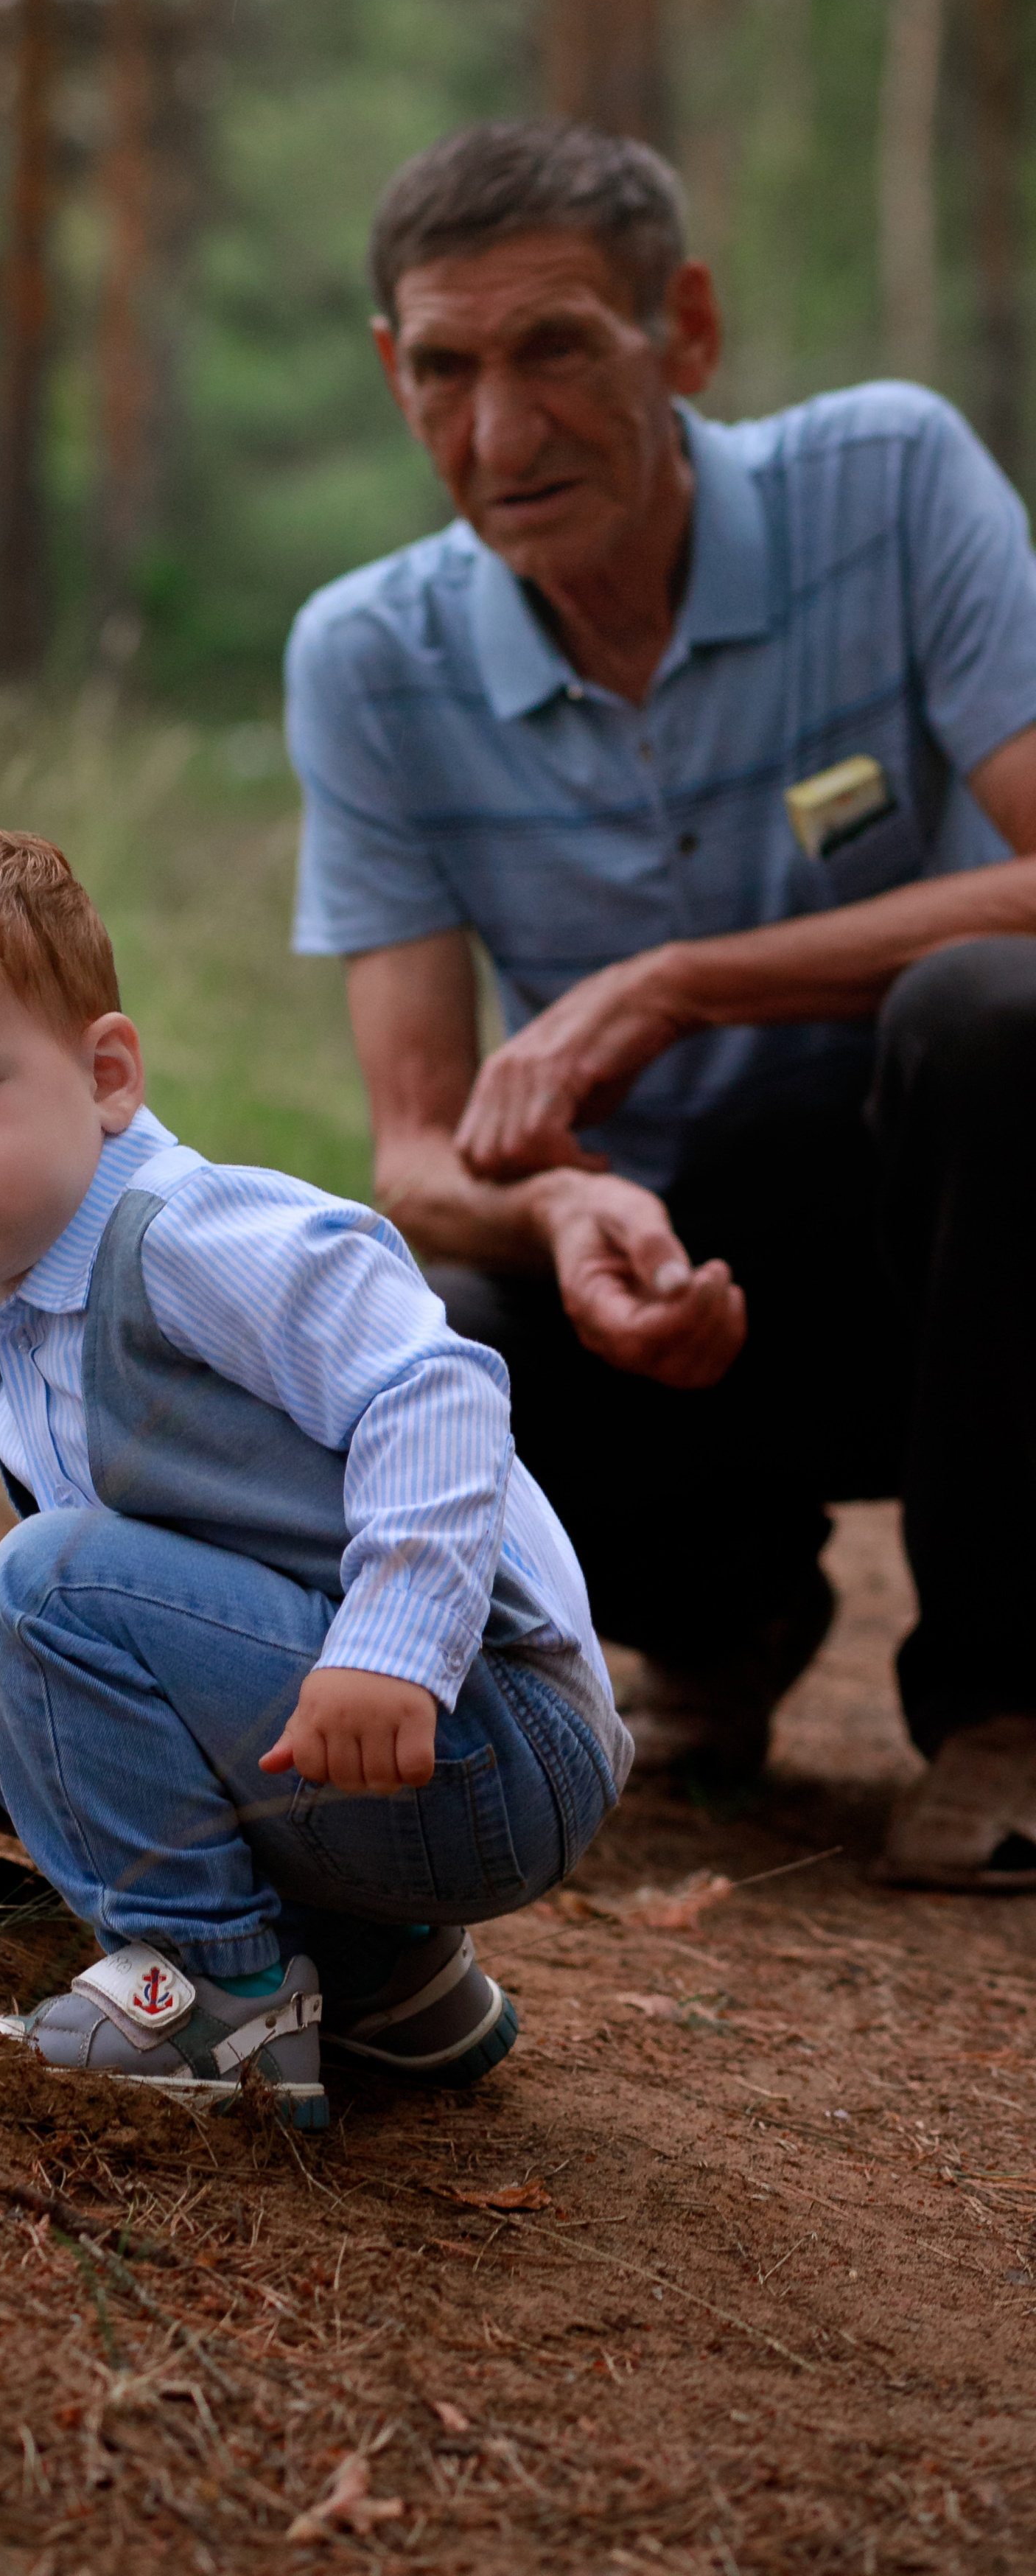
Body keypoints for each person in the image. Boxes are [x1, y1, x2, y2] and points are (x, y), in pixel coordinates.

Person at [284, 117, 1036, 1887]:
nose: (500, 434)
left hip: (949, 1246)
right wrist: (557, 1205)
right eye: (447, 370)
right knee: (423, 1307)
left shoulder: (888, 480)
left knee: (995, 1024)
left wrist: (679, 984)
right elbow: (414, 1147)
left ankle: (1009, 1708)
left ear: (679, 333)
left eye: (557, 349)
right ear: (394, 374)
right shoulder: (369, 660)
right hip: (664, 1276)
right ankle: (718, 1620)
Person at [0, 822, 629, 2123]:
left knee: (42, 1583)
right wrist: (23, 1671)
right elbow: (183, 1550)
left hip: (487, 1722)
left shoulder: (188, 1237)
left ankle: (215, 2001)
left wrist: (394, 1640)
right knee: (29, 1665)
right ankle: (391, 1984)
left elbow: (438, 1386)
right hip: (411, 1755)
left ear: (107, 1074)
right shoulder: (14, 1310)